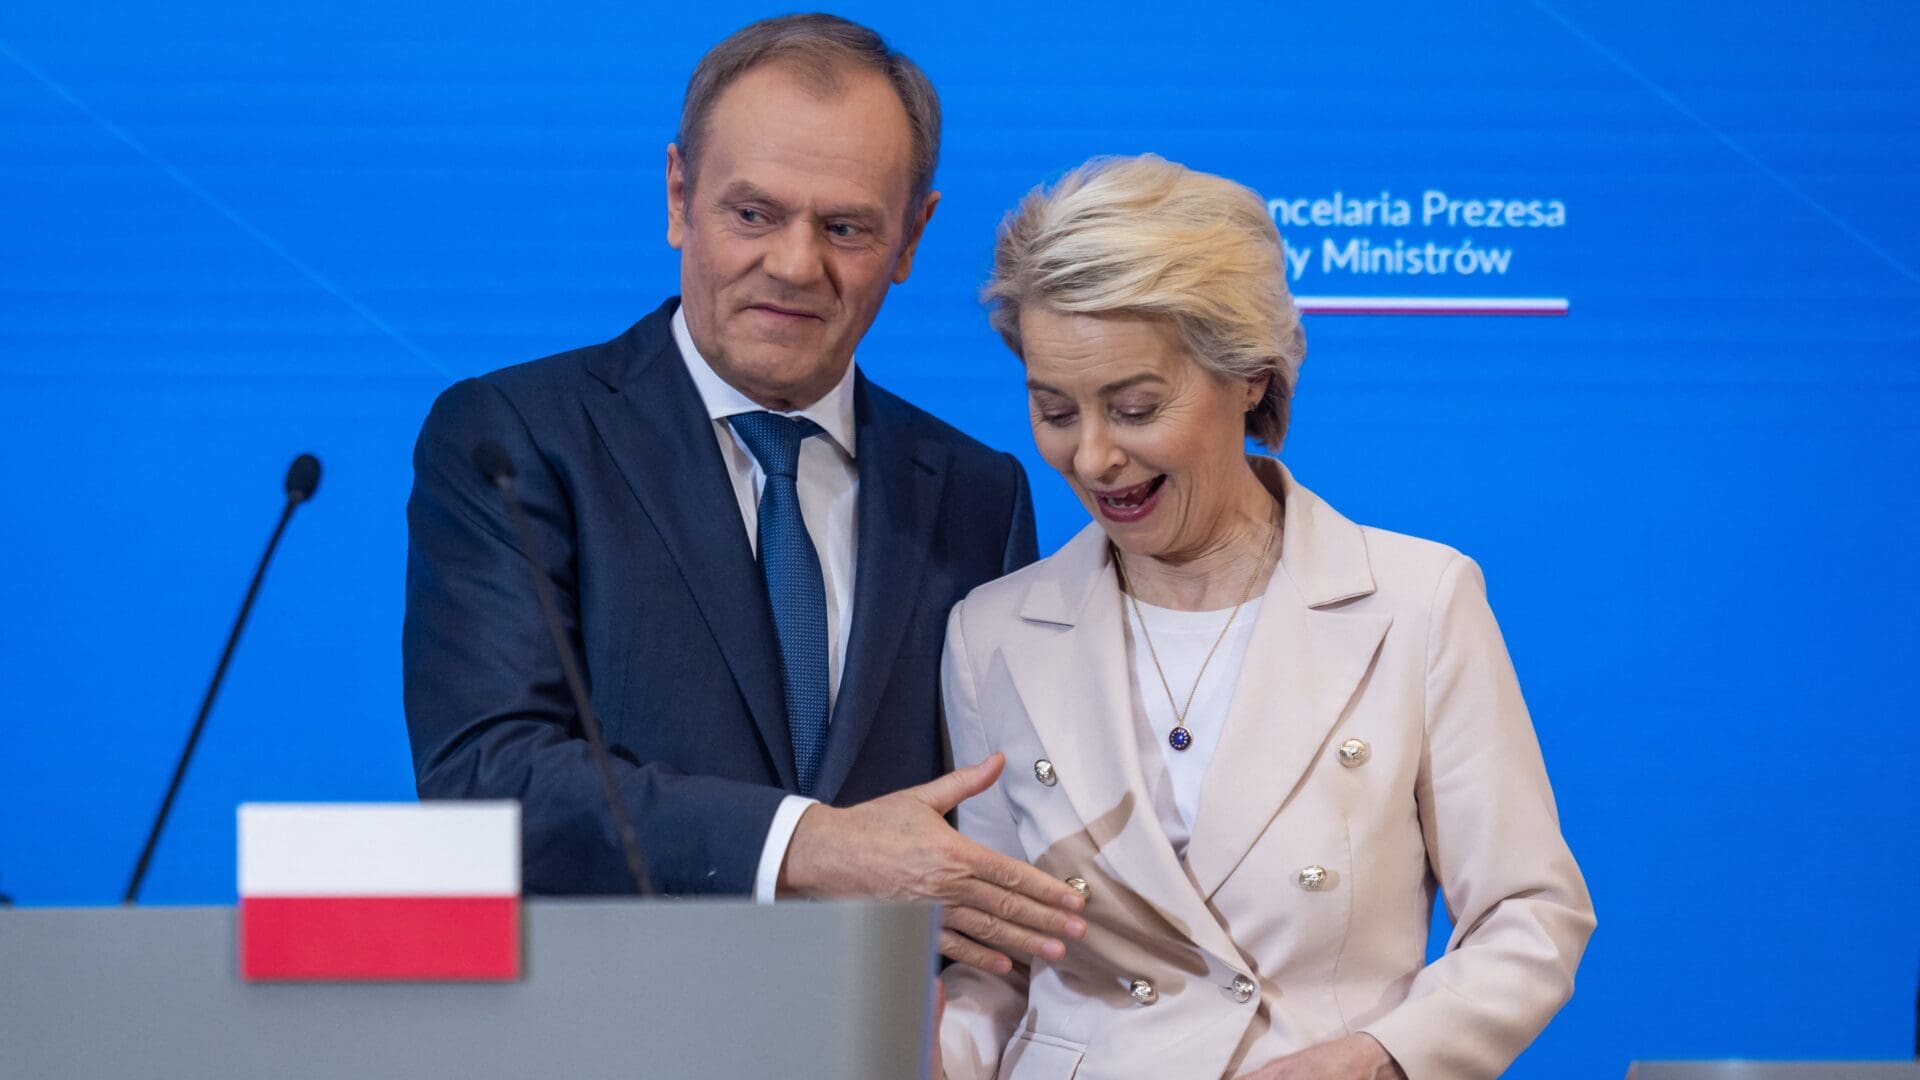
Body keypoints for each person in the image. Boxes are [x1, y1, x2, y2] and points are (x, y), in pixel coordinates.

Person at [402, 14, 1086, 974]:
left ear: (911, 237)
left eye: (846, 227)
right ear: (680, 196)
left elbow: (998, 818)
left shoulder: (977, 491)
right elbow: (489, 777)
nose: (796, 265)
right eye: (753, 213)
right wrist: (810, 845)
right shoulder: (515, 438)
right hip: (603, 1032)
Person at [935, 155, 1596, 1078]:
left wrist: (1376, 1059)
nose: (1092, 458)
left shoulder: (1418, 601)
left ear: (1248, 373)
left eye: (1134, 407)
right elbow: (995, 973)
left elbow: (1531, 916)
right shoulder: (991, 634)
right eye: (1054, 410)